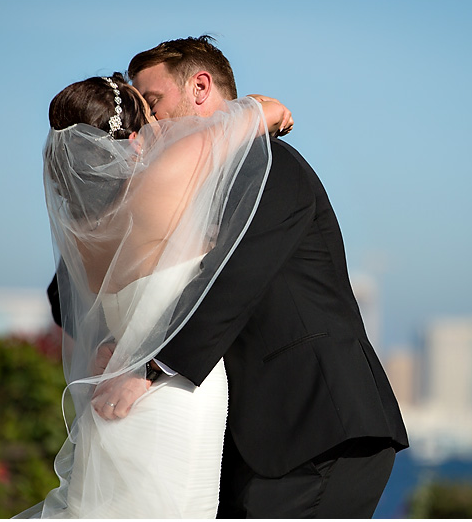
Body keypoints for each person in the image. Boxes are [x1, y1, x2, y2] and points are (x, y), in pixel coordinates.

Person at [124, 36, 409, 518]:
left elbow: (235, 277)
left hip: (319, 426)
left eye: (153, 104)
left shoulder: (270, 164)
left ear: (199, 87)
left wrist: (150, 370)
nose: (149, 122)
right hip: (256, 438)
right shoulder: (191, 187)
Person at [21, 72, 292, 518]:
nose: (161, 128)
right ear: (131, 142)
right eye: (150, 119)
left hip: (114, 399)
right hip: (174, 399)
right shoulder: (166, 178)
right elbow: (266, 109)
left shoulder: (83, 236)